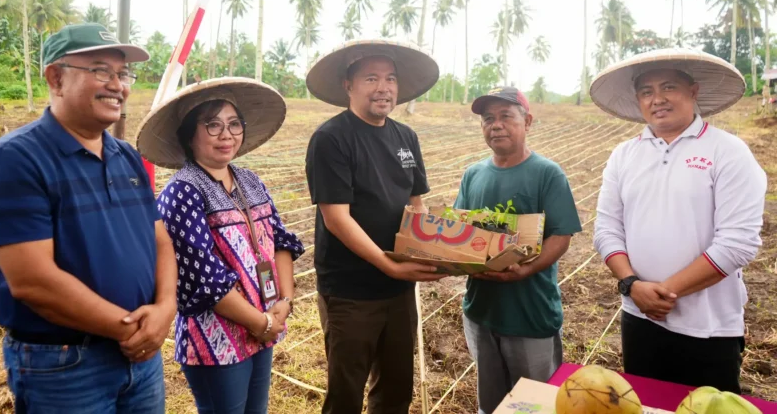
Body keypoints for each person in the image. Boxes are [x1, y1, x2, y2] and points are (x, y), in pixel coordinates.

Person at [0, 23, 177, 413]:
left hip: (142, 359)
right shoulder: (15, 160)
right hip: (65, 365)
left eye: (123, 74)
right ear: (56, 78)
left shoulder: (126, 156)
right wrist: (134, 330)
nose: (117, 85)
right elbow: (34, 282)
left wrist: (166, 308)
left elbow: (160, 241)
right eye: (101, 70)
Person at [591, 48, 767, 393]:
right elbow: (607, 229)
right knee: (648, 403)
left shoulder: (727, 152)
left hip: (709, 326)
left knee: (707, 405)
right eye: (646, 91)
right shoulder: (624, 155)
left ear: (693, 91)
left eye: (668, 87)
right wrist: (631, 286)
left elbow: (738, 242)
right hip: (638, 317)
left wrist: (666, 292)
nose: (657, 99)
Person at [135, 77, 305, 414]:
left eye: (233, 124)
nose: (226, 135)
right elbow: (203, 279)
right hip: (217, 340)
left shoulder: (250, 181)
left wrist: (284, 302)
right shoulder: (183, 192)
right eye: (212, 125)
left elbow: (281, 241)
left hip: (265, 322)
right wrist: (262, 323)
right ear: (189, 135)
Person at [304, 40, 446, 414]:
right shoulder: (331, 138)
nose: (383, 87)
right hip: (351, 291)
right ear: (348, 85)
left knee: (396, 388)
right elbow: (336, 218)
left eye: (390, 78)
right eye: (371, 78)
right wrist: (389, 263)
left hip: (399, 288)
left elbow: (416, 203)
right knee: (346, 393)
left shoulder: (406, 137)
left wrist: (435, 252)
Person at [453, 86, 583, 414]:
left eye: (506, 117)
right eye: (488, 119)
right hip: (481, 311)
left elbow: (561, 235)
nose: (496, 125)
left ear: (527, 121)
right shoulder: (473, 175)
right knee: (491, 404)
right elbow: (460, 232)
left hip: (530, 313)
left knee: (534, 406)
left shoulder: (547, 174)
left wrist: (525, 269)